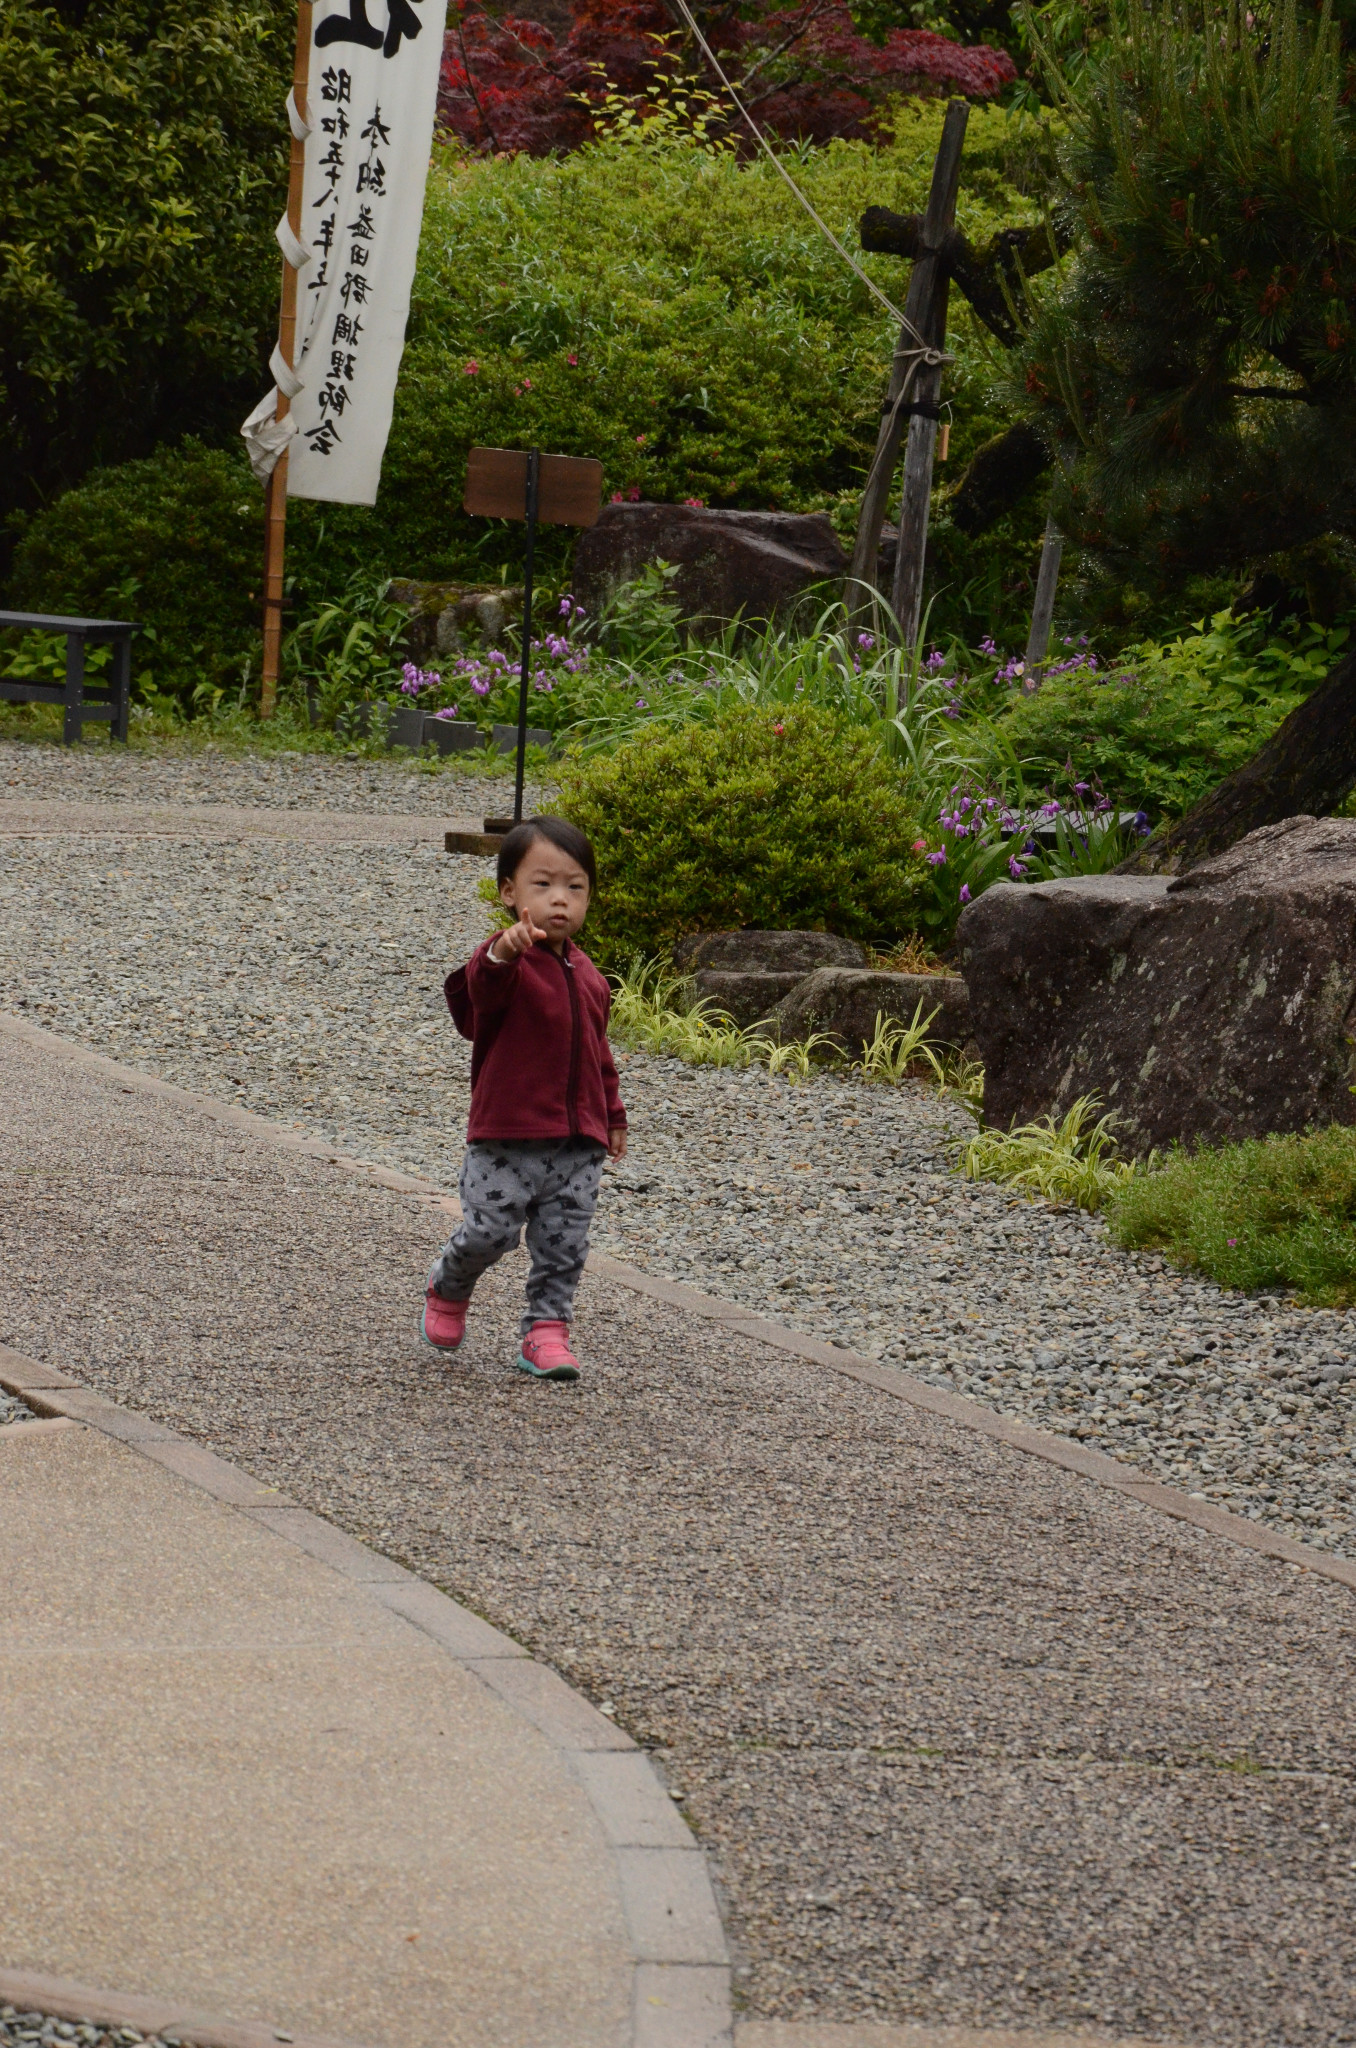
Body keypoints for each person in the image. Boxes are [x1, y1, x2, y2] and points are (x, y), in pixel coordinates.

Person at [422, 815, 627, 1382]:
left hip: (576, 1145)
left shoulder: (590, 977)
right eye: (543, 885)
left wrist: (611, 1115)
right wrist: (500, 953)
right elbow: (478, 998)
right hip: (507, 1136)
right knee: (490, 1231)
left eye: (575, 886)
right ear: (509, 893)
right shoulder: (504, 963)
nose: (560, 899)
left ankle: (545, 1332)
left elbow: (597, 1054)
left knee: (564, 1244)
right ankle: (450, 1283)